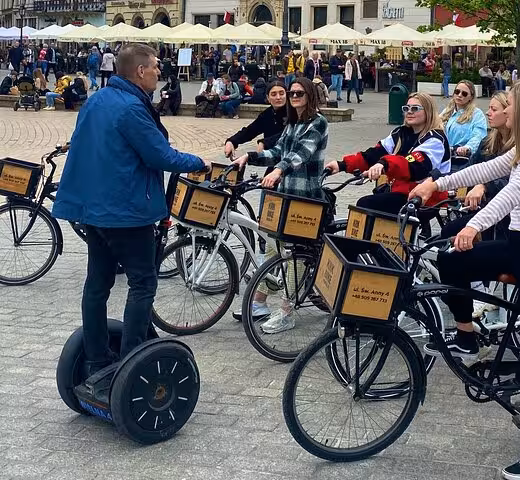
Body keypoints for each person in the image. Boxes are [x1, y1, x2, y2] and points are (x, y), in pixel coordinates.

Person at [409, 76, 520, 480]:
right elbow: (485, 169)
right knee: (451, 264)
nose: (506, 108)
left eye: (511, 103)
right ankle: (466, 335)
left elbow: (513, 192)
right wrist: (435, 183)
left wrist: (474, 225)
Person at [52, 43, 210, 377]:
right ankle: (130, 361)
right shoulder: (131, 108)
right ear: (140, 71)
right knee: (143, 284)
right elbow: (160, 156)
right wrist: (199, 162)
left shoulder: (97, 100)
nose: (158, 73)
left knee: (97, 284)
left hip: (93, 211)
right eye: (155, 67)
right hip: (124, 211)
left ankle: (96, 358)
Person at [231, 77, 328, 333]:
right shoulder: (293, 123)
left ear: (309, 95)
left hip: (304, 199)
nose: (294, 97)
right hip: (284, 197)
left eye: (299, 93)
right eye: (291, 93)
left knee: (295, 257)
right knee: (273, 249)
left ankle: (287, 311)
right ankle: (259, 302)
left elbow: (300, 156)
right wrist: (249, 157)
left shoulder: (318, 123)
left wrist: (278, 171)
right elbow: (277, 152)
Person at [326, 92, 451, 214]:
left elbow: (414, 164)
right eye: (406, 108)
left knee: (366, 204)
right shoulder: (401, 133)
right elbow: (374, 154)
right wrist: (341, 165)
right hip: (403, 191)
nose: (409, 111)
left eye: (415, 108)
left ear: (428, 112)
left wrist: (384, 164)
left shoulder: (435, 139)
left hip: (426, 197)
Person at [443, 90, 513, 244]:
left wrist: (484, 186)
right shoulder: (488, 142)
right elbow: (471, 168)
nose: (488, 113)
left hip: (506, 217)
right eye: (489, 108)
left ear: (508, 112)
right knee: (448, 232)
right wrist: (437, 179)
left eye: (494, 110)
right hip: (484, 208)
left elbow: (512, 181)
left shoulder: (519, 146)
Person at [225, 81, 287, 160]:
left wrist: (264, 143)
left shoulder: (293, 112)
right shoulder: (267, 114)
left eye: (281, 93)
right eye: (274, 94)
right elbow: (250, 131)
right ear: (268, 98)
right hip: (274, 158)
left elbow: (288, 134)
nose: (278, 97)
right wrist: (232, 141)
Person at [440, 80, 487, 160]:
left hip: (462, 158)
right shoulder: (447, 111)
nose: (459, 95)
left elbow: (478, 136)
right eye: (457, 92)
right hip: (444, 155)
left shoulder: (477, 114)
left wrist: (467, 147)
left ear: (471, 97)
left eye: (464, 94)